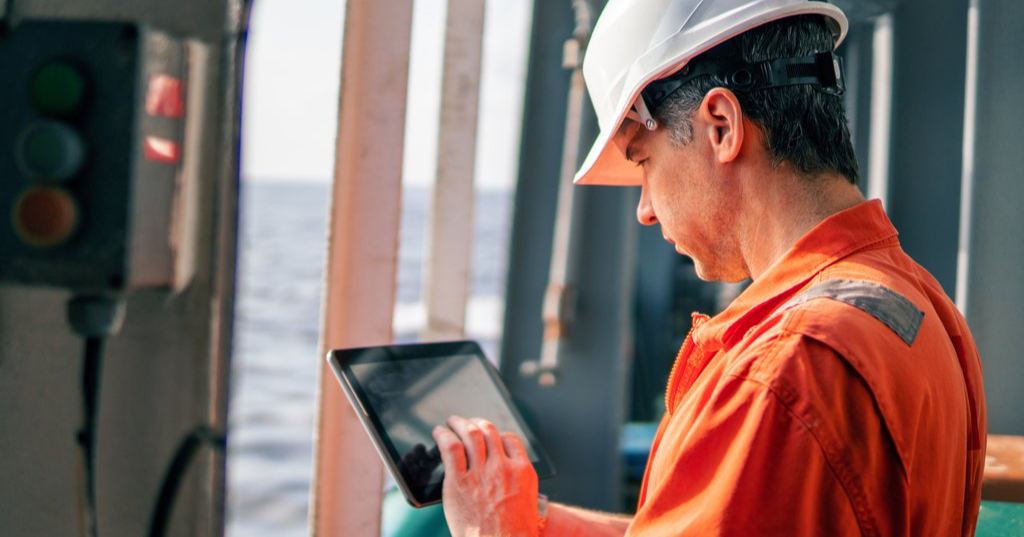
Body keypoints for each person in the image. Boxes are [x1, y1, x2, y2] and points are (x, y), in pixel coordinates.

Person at [432, 0, 987, 535]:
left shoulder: (785, 371)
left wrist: (492, 529)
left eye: (644, 162)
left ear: (721, 125)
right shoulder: (916, 305)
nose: (645, 210)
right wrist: (534, 522)